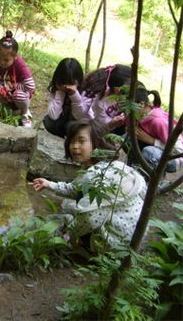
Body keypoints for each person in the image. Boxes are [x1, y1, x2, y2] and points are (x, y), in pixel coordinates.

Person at [31, 120, 146, 250]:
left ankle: (81, 247)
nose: (74, 146)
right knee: (73, 205)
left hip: (116, 243)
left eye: (81, 141)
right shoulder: (111, 167)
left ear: (98, 143)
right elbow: (76, 188)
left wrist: (67, 235)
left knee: (56, 220)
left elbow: (89, 218)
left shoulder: (99, 177)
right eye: (72, 141)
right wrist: (49, 184)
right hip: (134, 234)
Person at [129, 86, 182, 173]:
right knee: (129, 140)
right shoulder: (140, 114)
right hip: (156, 149)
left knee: (149, 152)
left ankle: (151, 180)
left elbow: (178, 151)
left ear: (141, 104)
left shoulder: (158, 122)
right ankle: (133, 171)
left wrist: (153, 141)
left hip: (175, 158)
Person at [0, 30, 35, 127]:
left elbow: (31, 86)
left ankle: (25, 113)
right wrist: (1, 87)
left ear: (15, 57)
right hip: (7, 92)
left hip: (21, 93)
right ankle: (9, 110)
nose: (2, 62)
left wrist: (15, 86)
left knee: (18, 95)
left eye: (6, 60)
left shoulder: (19, 64)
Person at [43, 58, 92, 138]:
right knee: (48, 121)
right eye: (63, 82)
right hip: (62, 120)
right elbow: (53, 116)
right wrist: (60, 93)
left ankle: (70, 137)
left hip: (77, 123)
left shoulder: (85, 91)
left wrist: (74, 95)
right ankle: (64, 136)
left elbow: (79, 117)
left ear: (78, 81)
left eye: (70, 83)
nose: (66, 87)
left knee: (71, 126)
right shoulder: (57, 89)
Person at [81, 64, 131, 135]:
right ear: (117, 89)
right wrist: (112, 124)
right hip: (99, 129)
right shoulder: (100, 100)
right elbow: (99, 127)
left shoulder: (123, 96)